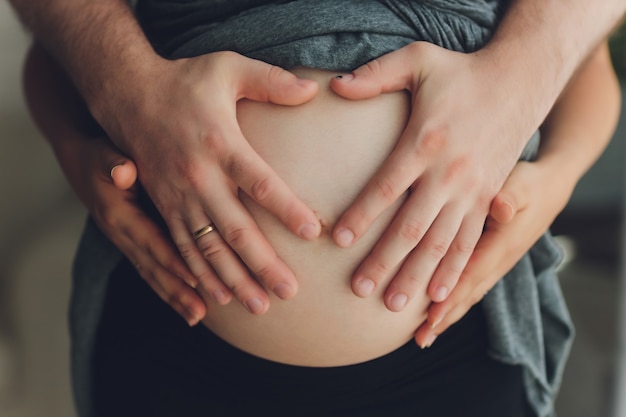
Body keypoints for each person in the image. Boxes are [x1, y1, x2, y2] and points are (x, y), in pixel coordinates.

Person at [13, 1, 624, 416]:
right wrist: (78, 143)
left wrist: (556, 178)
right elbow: (57, 51)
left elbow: (585, 58)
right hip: (177, 321)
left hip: (452, 346)